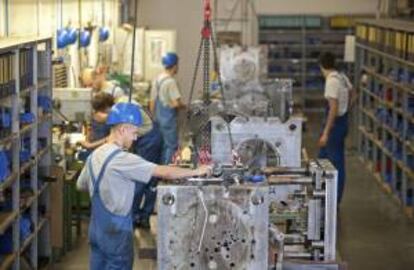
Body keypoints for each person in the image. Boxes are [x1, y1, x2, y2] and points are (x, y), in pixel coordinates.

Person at [76, 102, 211, 269]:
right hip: (116, 233)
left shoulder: (96, 154)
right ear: (122, 129)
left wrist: (110, 187)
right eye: (134, 132)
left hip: (96, 231)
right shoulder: (122, 159)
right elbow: (163, 172)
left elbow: (81, 184)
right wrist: (196, 171)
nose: (135, 138)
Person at [318, 52, 354, 205]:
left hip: (335, 124)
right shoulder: (342, 77)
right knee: (322, 158)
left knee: (335, 164)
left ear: (321, 66)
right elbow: (354, 93)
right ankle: (323, 193)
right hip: (342, 121)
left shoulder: (331, 81)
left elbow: (333, 108)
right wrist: (346, 108)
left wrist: (326, 133)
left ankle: (333, 201)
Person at [149, 52, 185, 164]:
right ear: (174, 66)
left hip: (158, 120)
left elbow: (152, 101)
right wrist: (184, 106)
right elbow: (176, 103)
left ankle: (162, 172)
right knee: (171, 146)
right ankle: (168, 172)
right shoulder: (171, 82)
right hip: (168, 120)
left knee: (163, 146)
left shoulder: (157, 79)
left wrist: (153, 116)